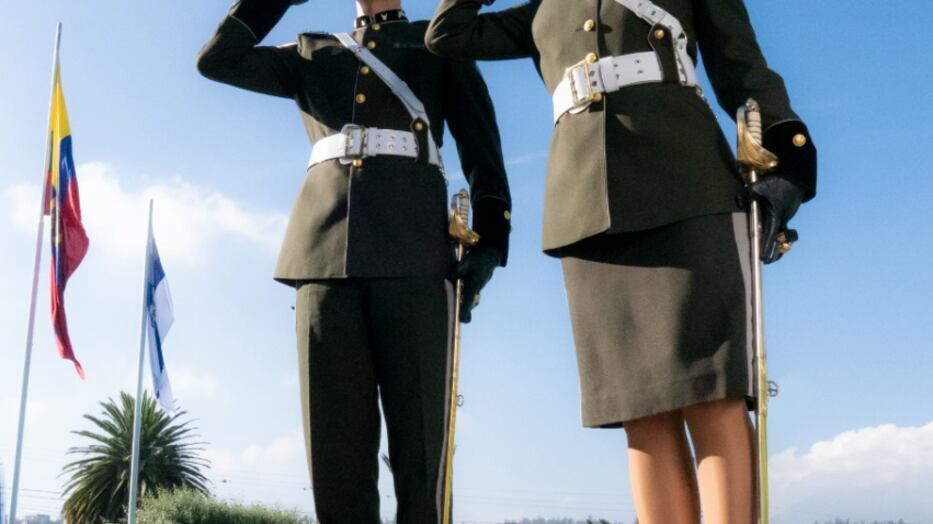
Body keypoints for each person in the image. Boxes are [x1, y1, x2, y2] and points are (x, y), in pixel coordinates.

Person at [424, 0, 817, 522]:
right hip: (586, 210)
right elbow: (447, 34)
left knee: (710, 389)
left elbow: (743, 67)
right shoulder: (540, 10)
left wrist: (787, 161)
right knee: (639, 410)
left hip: (687, 185)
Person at [197, 0, 512, 521]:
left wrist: (491, 247)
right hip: (321, 263)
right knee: (336, 464)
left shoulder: (435, 42)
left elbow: (485, 160)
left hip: (416, 259)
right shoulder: (311, 53)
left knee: (422, 457)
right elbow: (217, 60)